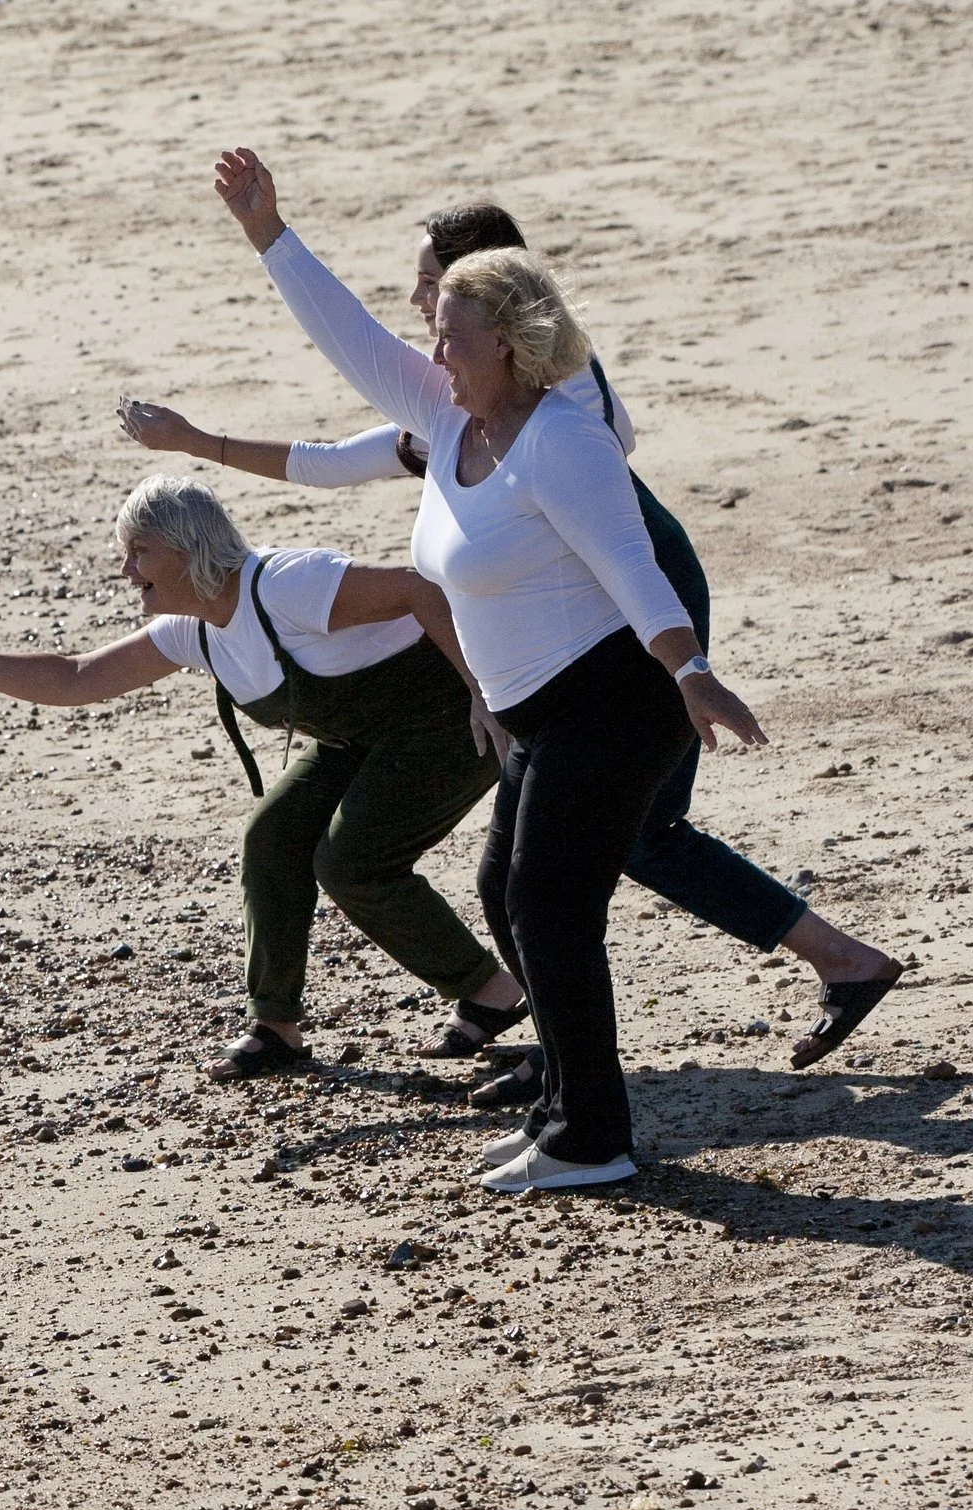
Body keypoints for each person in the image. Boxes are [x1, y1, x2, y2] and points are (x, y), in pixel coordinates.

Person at [119, 202, 902, 1096]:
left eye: (434, 286)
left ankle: (617, 1059)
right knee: (541, 866)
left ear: (497, 306)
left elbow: (614, 535)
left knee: (621, 839)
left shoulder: (555, 409)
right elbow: (334, 446)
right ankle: (657, 1023)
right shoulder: (458, 402)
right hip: (571, 619)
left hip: (634, 597)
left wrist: (687, 668)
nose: (419, 303)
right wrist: (197, 434)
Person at [206, 145, 768, 1193]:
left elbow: (633, 566)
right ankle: (563, 1112)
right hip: (541, 713)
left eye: (450, 333)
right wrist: (268, 236)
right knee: (508, 896)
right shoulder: (449, 418)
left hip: (614, 700)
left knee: (549, 906)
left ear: (505, 344)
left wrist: (690, 671)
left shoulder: (563, 439)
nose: (431, 347)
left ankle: (593, 1140)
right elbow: (350, 340)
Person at [0, 473, 531, 1083]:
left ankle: (490, 991)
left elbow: (423, 590)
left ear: (186, 547)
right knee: (272, 838)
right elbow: (78, 676)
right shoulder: (192, 628)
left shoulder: (286, 584)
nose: (126, 570)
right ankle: (276, 1028)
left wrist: (482, 691)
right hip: (360, 737)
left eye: (139, 550)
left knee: (352, 862)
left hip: (455, 720)